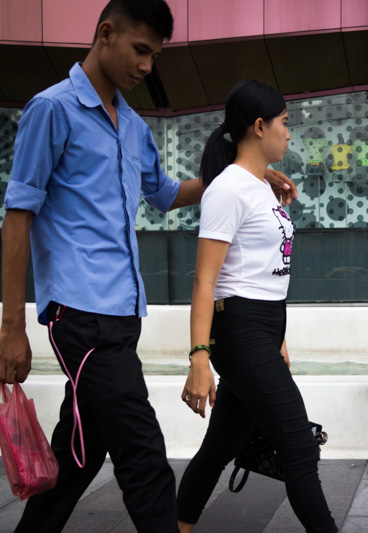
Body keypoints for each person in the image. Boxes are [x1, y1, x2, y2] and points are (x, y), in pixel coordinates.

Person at [0, 2, 295, 531]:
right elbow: (18, 218)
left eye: (154, 56)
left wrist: (249, 174)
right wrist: (11, 327)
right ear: (105, 33)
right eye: (140, 50)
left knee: (78, 454)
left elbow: (164, 194)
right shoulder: (52, 110)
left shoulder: (134, 127)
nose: (146, 66)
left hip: (122, 315)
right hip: (79, 314)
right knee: (144, 457)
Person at [175, 79, 337, 533]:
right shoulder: (228, 189)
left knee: (219, 448)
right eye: (284, 122)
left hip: (262, 328)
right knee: (299, 449)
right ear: (259, 126)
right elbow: (205, 280)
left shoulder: (259, 186)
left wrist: (277, 338)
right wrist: (199, 356)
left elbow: (265, 272)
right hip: (239, 329)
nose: (289, 132)